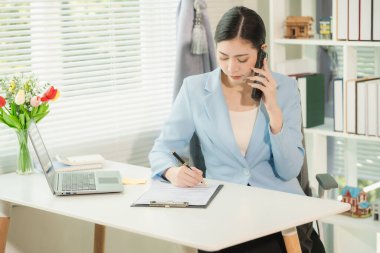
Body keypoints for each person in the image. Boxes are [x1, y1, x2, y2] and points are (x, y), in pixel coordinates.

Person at [149, 6, 324, 253]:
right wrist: (171, 171)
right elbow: (161, 150)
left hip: (277, 211)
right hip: (224, 211)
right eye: (223, 57)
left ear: (262, 52)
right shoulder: (195, 90)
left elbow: (289, 170)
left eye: (242, 59)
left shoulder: (284, 89)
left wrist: (273, 108)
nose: (231, 68)